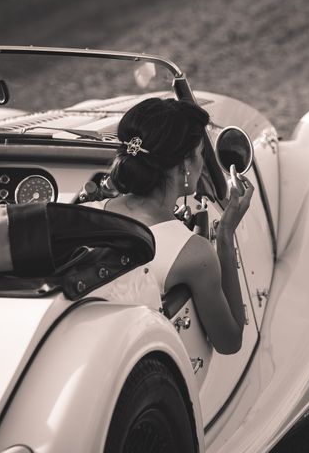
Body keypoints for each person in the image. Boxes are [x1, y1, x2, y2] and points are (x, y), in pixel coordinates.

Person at [96, 98, 253, 355]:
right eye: (201, 154)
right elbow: (230, 341)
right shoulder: (194, 255)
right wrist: (225, 234)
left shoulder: (91, 211)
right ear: (185, 166)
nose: (203, 163)